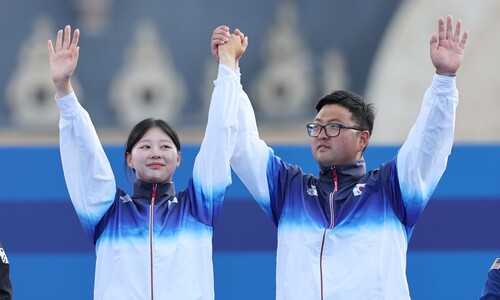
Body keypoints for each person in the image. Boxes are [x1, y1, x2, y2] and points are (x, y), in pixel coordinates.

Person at [211, 15, 468, 299]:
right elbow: (243, 145)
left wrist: (444, 81)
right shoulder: (289, 190)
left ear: (363, 138)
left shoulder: (391, 189)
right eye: (316, 126)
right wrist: (229, 69)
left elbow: (429, 145)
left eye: (333, 126)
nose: (321, 133)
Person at [48, 25, 245, 299]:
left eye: (165, 147)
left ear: (178, 158)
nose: (155, 153)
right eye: (145, 146)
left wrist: (228, 67)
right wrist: (63, 90)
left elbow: (220, 135)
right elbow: (85, 155)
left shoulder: (198, 209)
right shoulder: (108, 214)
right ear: (129, 158)